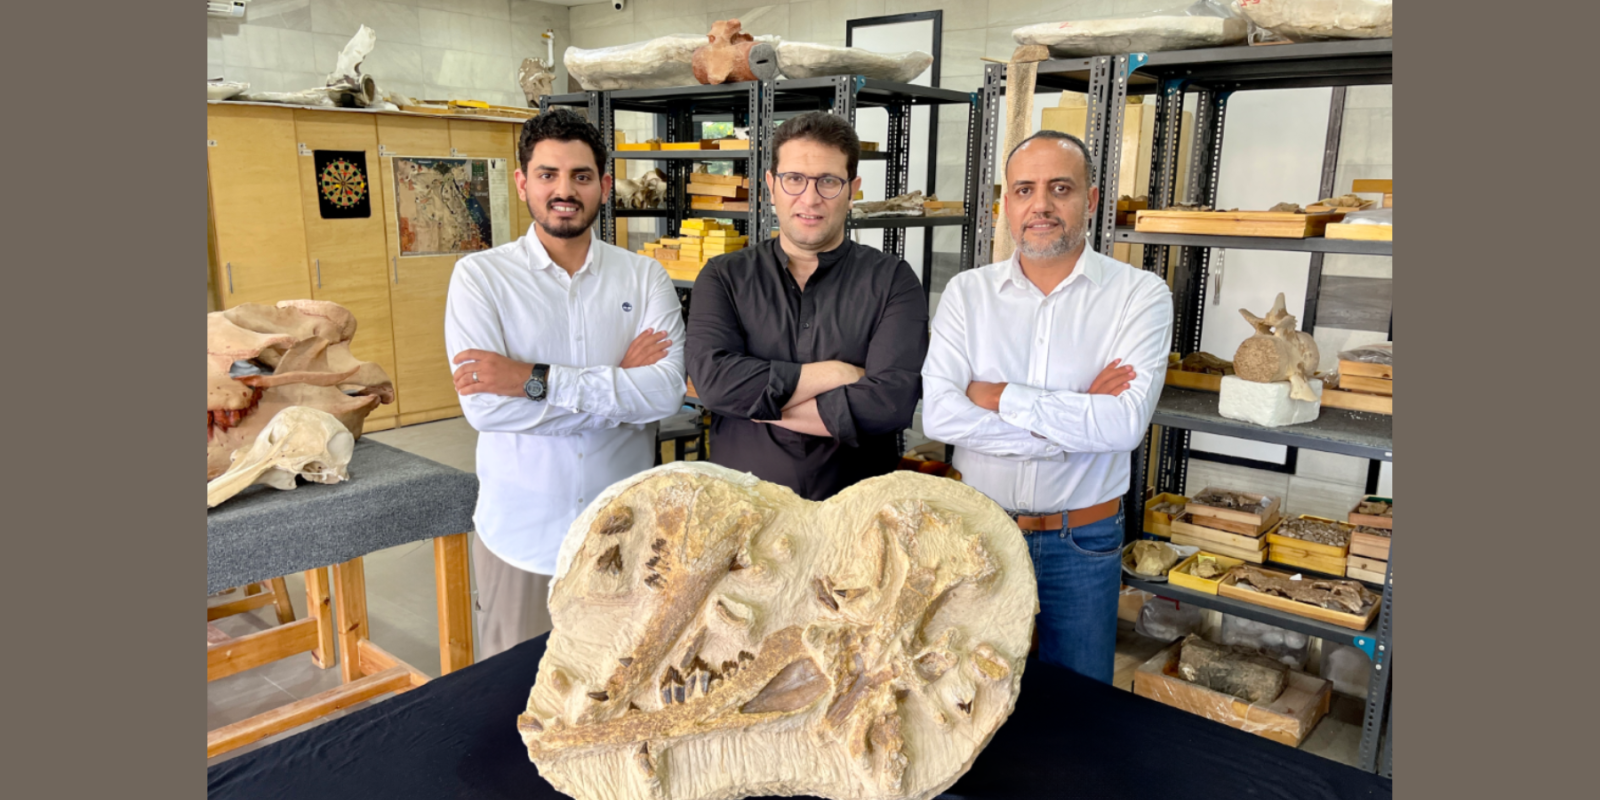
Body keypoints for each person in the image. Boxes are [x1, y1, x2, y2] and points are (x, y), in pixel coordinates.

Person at [920, 129, 1174, 683]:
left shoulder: (1140, 295)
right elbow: (939, 414)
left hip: (1081, 541)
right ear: (1005, 203)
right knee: (966, 693)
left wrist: (999, 396)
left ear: (1092, 199)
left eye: (1060, 188)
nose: (1040, 205)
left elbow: (1124, 424)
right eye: (1023, 189)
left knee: (1078, 705)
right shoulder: (968, 293)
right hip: (979, 529)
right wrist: (1077, 414)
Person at [445, 108, 687, 658]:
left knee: (615, 689)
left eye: (581, 176)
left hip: (621, 538)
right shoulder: (481, 278)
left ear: (604, 185)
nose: (564, 190)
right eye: (548, 174)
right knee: (515, 697)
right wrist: (619, 386)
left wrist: (532, 379)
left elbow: (664, 393)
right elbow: (486, 410)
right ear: (522, 182)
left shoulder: (643, 275)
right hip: (523, 538)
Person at [685, 111, 928, 501]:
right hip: (744, 516)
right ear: (770, 186)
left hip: (858, 522)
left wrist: (754, 406)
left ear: (853, 190)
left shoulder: (892, 280)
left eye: (829, 181)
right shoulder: (724, 277)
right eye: (794, 179)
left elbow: (890, 404)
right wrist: (837, 373)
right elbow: (715, 384)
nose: (810, 198)